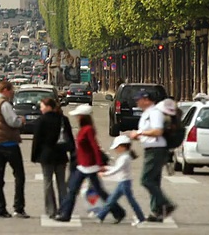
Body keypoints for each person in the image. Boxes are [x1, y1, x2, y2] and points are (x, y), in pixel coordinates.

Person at [55, 104, 126, 223]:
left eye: (78, 116)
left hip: (89, 165)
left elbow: (94, 147)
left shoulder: (88, 129)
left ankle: (118, 212)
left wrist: (99, 164)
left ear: (83, 116)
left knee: (88, 191)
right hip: (82, 165)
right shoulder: (84, 128)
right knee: (74, 190)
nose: (77, 118)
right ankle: (65, 213)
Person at [0, 81, 29, 219]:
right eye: (12, 91)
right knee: (19, 175)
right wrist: (21, 121)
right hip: (9, 143)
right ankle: (18, 208)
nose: (12, 94)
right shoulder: (4, 104)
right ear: (6, 90)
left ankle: (0, 208)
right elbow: (12, 121)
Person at [129, 94, 176, 222]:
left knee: (146, 180)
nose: (137, 102)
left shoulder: (154, 113)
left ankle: (166, 204)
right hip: (151, 148)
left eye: (138, 99)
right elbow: (149, 133)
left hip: (156, 150)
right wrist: (137, 136)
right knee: (154, 181)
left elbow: (157, 131)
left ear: (147, 100)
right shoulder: (146, 113)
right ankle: (157, 212)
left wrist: (139, 133)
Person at [31, 98, 74, 219]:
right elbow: (69, 138)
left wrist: (34, 156)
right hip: (61, 155)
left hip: (47, 156)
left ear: (48, 107)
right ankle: (64, 209)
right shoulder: (63, 119)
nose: (41, 108)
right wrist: (72, 153)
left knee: (47, 182)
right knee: (61, 183)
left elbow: (37, 140)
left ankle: (51, 210)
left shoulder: (41, 120)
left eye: (42, 106)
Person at [93, 135, 146, 226]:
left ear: (122, 146)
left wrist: (105, 173)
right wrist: (106, 168)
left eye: (117, 147)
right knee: (111, 200)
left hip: (124, 183)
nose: (115, 149)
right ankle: (101, 216)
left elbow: (117, 169)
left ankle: (140, 217)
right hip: (123, 182)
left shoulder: (124, 158)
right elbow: (117, 168)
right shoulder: (125, 156)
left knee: (128, 201)